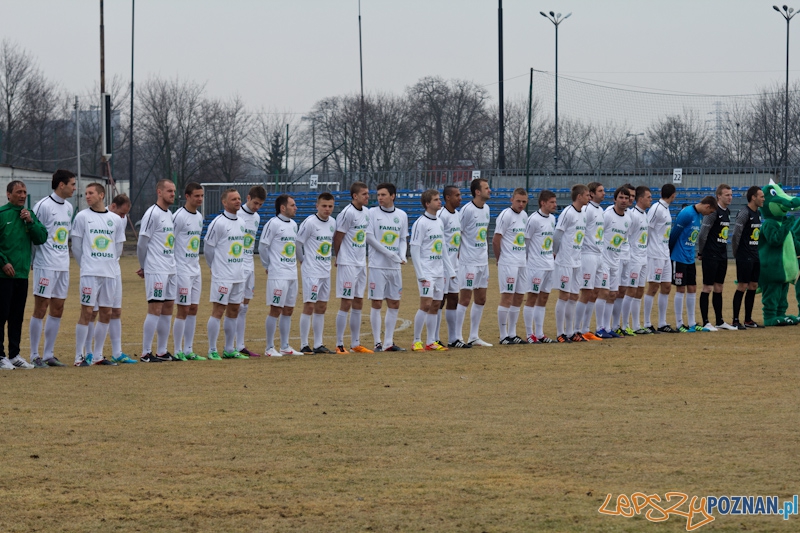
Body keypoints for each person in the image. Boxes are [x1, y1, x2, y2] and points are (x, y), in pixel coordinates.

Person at [71, 183, 124, 366]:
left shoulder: (115, 219)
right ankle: (80, 356)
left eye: (91, 193)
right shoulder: (82, 217)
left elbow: (118, 247)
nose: (87, 196)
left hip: (109, 273)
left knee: (106, 313)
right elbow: (76, 247)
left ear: (101, 195)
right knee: (87, 312)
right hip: (90, 273)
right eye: (85, 193)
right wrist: (86, 264)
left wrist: (107, 262)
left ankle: (98, 355)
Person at [29, 169, 76, 367]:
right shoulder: (42, 206)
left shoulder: (69, 207)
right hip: (45, 264)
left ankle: (49, 354)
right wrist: (33, 261)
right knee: (41, 307)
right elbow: (33, 233)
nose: (75, 188)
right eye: (72, 184)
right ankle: (34, 355)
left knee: (58, 308)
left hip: (62, 265)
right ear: (61, 185)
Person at [0, 181, 47, 370]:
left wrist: (31, 221)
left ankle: (14, 355)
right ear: (8, 194)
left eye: (25, 192)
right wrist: (3, 263)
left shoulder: (29, 215)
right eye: (18, 192)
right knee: (1, 314)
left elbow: (41, 237)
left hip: (21, 274)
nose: (22, 195)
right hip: (3, 276)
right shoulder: (2, 215)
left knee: (16, 316)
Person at [203, 188, 249, 360]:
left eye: (238, 198)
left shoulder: (242, 222)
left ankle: (229, 348)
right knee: (218, 310)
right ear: (224, 202)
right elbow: (208, 248)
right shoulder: (218, 222)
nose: (238, 201)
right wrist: (214, 266)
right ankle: (212, 349)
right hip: (223, 275)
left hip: (239, 274)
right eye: (233, 199)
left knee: (234, 310)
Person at [137, 179, 179, 362]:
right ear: (159, 192)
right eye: (169, 191)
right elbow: (141, 243)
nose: (173, 194)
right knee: (155, 307)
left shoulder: (169, 214)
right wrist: (144, 266)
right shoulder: (152, 213)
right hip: (156, 267)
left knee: (168, 307)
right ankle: (146, 353)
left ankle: (162, 351)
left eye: (174, 191)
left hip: (170, 267)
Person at [410, 190, 455, 351]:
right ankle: (416, 341)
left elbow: (442, 247)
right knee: (425, 304)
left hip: (439, 272)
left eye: (439, 199)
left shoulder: (439, 222)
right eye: (435, 200)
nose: (439, 202)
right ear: (427, 203)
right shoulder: (420, 223)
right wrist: (420, 274)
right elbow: (414, 249)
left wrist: (450, 270)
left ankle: (431, 341)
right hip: (426, 271)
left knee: (436, 304)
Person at [258, 194, 302, 357]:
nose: (295, 207)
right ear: (283, 208)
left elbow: (295, 246)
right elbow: (263, 246)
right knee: (276, 309)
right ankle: (269, 347)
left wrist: (301, 260)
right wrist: (268, 265)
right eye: (292, 205)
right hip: (278, 274)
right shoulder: (273, 224)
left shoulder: (294, 224)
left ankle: (285, 346)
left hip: (292, 274)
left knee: (288, 310)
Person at [367, 183, 408, 352]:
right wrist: (389, 254)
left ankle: (388, 342)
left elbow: (402, 238)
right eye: (378, 195)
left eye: (383, 194)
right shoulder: (371, 213)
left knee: (394, 303)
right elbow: (369, 237)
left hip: (394, 268)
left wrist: (403, 255)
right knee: (377, 303)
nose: (380, 198)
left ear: (393, 196)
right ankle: (377, 342)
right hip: (377, 266)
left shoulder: (402, 215)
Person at [333, 182, 373, 354]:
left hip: (360, 262)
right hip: (347, 262)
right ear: (355, 196)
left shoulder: (366, 213)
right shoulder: (347, 213)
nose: (367, 196)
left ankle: (356, 343)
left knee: (358, 301)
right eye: (364, 194)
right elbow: (338, 237)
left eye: (367, 193)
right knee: (346, 302)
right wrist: (338, 257)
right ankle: (339, 343)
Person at [296, 192, 336, 354]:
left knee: (322, 306)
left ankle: (318, 344)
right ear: (317, 206)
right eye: (324, 206)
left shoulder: (333, 222)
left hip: (325, 271)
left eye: (330, 206)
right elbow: (298, 243)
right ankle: (304, 344)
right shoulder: (310, 223)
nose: (327, 209)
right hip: (311, 271)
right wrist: (303, 260)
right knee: (309, 305)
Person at [670, 196, 718, 332]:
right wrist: (669, 254)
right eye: (710, 211)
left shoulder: (699, 216)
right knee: (680, 288)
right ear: (707, 206)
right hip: (679, 257)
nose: (709, 214)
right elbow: (674, 234)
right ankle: (680, 324)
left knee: (692, 287)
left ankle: (692, 323)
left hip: (690, 258)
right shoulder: (686, 213)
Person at [455, 178, 493, 347]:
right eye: (486, 188)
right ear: (477, 192)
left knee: (481, 298)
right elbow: (458, 234)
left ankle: (473, 336)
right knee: (464, 299)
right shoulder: (467, 210)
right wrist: (457, 259)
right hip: (467, 262)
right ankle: (457, 337)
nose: (489, 190)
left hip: (482, 262)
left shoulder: (487, 209)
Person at [171, 182, 206, 360]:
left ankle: (188, 349)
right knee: (183, 309)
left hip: (195, 269)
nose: (199, 199)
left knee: (193, 308)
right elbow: (170, 241)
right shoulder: (178, 216)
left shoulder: (199, 217)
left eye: (201, 196)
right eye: (196, 196)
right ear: (187, 196)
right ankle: (177, 350)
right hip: (181, 269)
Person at [552, 184, 590, 343]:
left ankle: (570, 331)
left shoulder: (584, 214)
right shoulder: (567, 213)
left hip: (577, 260)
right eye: (587, 195)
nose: (589, 197)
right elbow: (557, 235)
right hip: (565, 260)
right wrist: (555, 253)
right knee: (564, 295)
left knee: (574, 295)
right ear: (579, 196)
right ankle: (560, 332)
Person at [698, 184, 736, 331]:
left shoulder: (728, 212)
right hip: (710, 254)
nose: (730, 197)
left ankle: (720, 321)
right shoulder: (713, 212)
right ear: (719, 196)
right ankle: (706, 321)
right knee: (707, 287)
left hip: (722, 254)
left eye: (731, 195)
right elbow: (703, 233)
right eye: (727, 195)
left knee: (719, 287)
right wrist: (701, 252)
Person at [493, 188, 529, 344]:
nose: (521, 204)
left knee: (519, 296)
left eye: (524, 202)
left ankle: (513, 333)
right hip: (508, 262)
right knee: (507, 296)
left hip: (522, 261)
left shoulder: (524, 216)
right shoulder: (505, 215)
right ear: (512, 200)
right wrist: (500, 258)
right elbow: (496, 239)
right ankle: (503, 336)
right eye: (518, 201)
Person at [522, 190, 558, 343]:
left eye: (555, 202)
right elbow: (526, 242)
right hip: (535, 265)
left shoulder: (552, 219)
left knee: (544, 298)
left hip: (549, 264)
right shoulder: (533, 219)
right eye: (552, 202)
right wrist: (529, 260)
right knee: (532, 297)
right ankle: (530, 334)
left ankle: (540, 333)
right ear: (543, 203)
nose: (555, 205)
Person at [643, 184, 678, 333]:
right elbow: (648, 229)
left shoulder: (665, 208)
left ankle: (662, 323)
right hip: (655, 253)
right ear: (673, 195)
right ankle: (646, 322)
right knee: (653, 287)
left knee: (667, 286)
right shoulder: (656, 208)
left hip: (665, 253)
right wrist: (648, 248)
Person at [236, 185, 266, 357]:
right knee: (235, 306)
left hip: (250, 265)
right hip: (237, 266)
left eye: (260, 204)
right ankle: (231, 346)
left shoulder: (257, 217)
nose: (257, 207)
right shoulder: (237, 214)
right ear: (248, 198)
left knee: (245, 307)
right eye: (255, 203)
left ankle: (240, 345)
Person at [597, 187, 631, 337]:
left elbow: (623, 240)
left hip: (616, 260)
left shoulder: (628, 219)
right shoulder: (606, 215)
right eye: (621, 197)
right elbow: (597, 235)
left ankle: (608, 328)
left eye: (626, 198)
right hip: (604, 259)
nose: (623, 200)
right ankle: (599, 328)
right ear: (615, 199)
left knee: (613, 294)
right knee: (603, 293)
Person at [437, 185, 468, 348]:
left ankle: (453, 338)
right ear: (448, 197)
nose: (460, 198)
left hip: (455, 266)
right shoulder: (441, 215)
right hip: (442, 267)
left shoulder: (457, 214)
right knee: (439, 301)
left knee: (454, 299)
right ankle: (434, 338)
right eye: (457, 195)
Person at [731, 185, 764, 329]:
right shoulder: (744, 213)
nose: (763, 199)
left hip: (755, 254)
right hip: (744, 255)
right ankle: (735, 320)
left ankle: (748, 320)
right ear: (753, 197)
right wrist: (737, 253)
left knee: (753, 285)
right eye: (761, 196)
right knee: (742, 286)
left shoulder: (759, 213)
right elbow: (736, 235)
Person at [576, 182, 606, 341]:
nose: (604, 193)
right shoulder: (586, 210)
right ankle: (577, 329)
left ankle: (586, 329)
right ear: (592, 194)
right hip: (587, 254)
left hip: (599, 255)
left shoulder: (601, 210)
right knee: (586, 292)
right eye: (600, 191)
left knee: (595, 292)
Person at [622, 186, 653, 336]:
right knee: (631, 290)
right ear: (640, 199)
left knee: (640, 290)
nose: (651, 200)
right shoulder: (632, 215)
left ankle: (636, 325)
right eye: (648, 197)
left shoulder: (645, 215)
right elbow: (626, 236)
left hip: (643, 258)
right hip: (633, 258)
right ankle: (625, 324)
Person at [611, 184, 636, 336]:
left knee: (622, 291)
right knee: (612, 292)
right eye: (624, 197)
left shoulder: (629, 216)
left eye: (630, 197)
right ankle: (606, 326)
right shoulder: (609, 213)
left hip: (627, 256)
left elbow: (628, 236)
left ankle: (616, 325)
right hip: (615, 257)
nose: (628, 200)